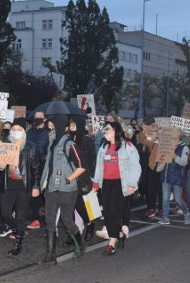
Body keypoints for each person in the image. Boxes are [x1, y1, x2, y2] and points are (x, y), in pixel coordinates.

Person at [38, 113, 93, 264]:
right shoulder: (51, 144)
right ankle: (50, 255)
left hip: (67, 190)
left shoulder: (69, 145)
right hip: (51, 188)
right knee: (49, 220)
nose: (50, 130)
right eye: (49, 127)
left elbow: (82, 167)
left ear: (61, 127)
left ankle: (80, 244)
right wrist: (42, 184)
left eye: (52, 127)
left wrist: (69, 179)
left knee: (67, 220)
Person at [92, 122, 141, 256]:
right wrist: (95, 184)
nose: (105, 132)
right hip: (106, 184)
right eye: (105, 129)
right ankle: (120, 234)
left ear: (116, 131)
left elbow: (135, 167)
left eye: (108, 129)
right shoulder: (103, 147)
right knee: (107, 213)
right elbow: (98, 167)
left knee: (114, 212)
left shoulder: (127, 147)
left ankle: (111, 244)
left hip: (121, 183)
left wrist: (132, 184)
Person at [0, 118, 40, 257]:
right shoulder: (5, 144)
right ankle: (19, 230)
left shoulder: (30, 147)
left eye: (19, 129)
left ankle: (18, 243)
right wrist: (1, 167)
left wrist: (35, 186)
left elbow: (35, 168)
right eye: (13, 129)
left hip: (23, 186)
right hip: (8, 184)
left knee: (20, 215)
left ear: (24, 131)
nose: (16, 132)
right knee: (5, 214)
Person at [158, 132, 190, 225]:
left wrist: (175, 157)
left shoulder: (184, 147)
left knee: (178, 199)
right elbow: (161, 159)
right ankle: (165, 217)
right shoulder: (167, 145)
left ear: (178, 136)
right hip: (165, 175)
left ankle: (186, 212)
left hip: (177, 176)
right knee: (165, 198)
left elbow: (184, 162)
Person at [26, 110, 50, 229]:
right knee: (33, 192)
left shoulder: (49, 133)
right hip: (30, 166)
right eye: (35, 117)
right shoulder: (29, 132)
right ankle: (36, 219)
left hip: (44, 167)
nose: (36, 119)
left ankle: (49, 217)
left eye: (39, 117)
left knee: (44, 193)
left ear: (45, 119)